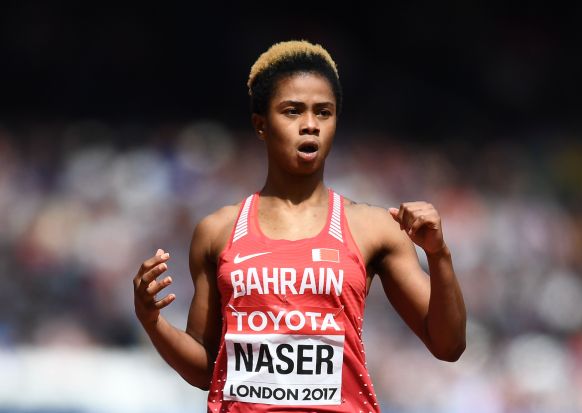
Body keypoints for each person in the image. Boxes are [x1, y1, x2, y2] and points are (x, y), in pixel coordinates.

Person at [133, 40, 466, 412]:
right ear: (261, 125)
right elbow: (206, 369)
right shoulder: (218, 231)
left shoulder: (373, 228)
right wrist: (152, 322)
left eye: (324, 112)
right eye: (292, 111)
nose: (310, 125)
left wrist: (439, 255)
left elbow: (449, 345)